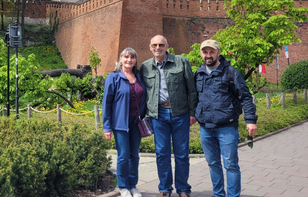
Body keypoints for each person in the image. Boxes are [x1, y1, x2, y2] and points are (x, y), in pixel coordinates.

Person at [195, 39, 257, 197]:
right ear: (201, 53)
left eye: (211, 52)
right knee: (213, 164)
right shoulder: (199, 73)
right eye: (205, 52)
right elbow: (194, 98)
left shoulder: (230, 72)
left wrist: (250, 120)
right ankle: (218, 194)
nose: (208, 55)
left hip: (227, 127)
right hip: (205, 128)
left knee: (230, 165)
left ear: (218, 52)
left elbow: (245, 97)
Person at [140, 35, 197, 197]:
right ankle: (164, 188)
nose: (158, 47)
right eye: (154, 45)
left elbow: (191, 90)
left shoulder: (181, 62)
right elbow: (142, 92)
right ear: (150, 47)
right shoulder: (146, 67)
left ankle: (183, 189)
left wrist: (193, 113)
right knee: (162, 153)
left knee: (182, 153)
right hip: (158, 115)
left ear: (167, 46)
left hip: (180, 113)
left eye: (161, 45)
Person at [103, 47, 147, 197]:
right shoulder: (113, 77)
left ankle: (133, 185)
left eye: (132, 58)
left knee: (134, 155)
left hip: (136, 123)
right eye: (126, 57)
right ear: (121, 59)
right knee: (123, 155)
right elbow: (106, 103)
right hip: (120, 124)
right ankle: (123, 186)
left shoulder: (139, 77)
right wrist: (106, 127)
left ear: (135, 60)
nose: (129, 60)